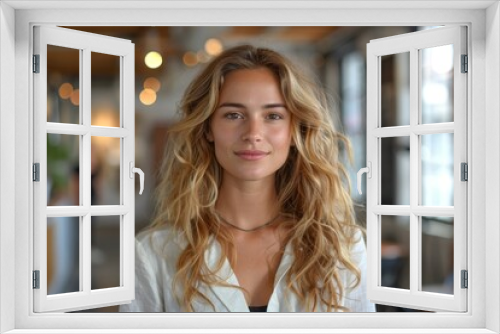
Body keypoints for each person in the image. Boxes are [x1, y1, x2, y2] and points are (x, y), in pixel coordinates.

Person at [119, 44, 375, 313]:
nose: (253, 132)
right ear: (208, 128)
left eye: (273, 116)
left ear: (294, 131)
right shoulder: (153, 254)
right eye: (234, 115)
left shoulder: (343, 247)